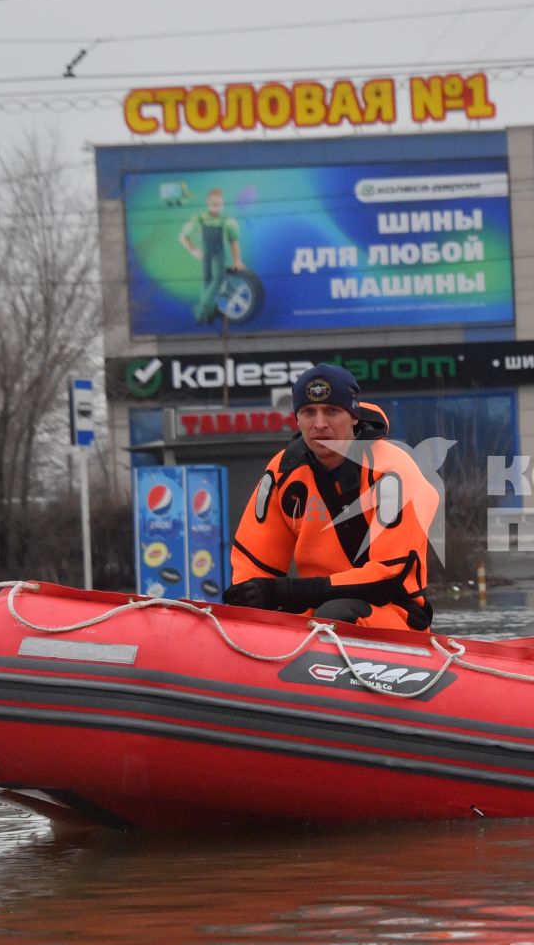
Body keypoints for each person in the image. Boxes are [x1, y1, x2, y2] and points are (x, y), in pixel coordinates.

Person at [223, 364, 436, 633]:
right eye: (308, 412)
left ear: (353, 416)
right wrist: (251, 599)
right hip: (313, 609)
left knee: (333, 613)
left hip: (392, 612)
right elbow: (254, 563)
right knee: (261, 607)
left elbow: (387, 578)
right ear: (297, 419)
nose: (320, 424)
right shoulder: (284, 473)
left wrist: (285, 591)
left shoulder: (391, 472)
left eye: (332, 411)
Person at [179, 187, 244, 325]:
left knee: (219, 279)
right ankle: (208, 314)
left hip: (219, 255)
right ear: (208, 203)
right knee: (207, 283)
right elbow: (183, 237)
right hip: (206, 255)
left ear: (223, 204)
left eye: (219, 204)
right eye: (213, 204)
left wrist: (237, 259)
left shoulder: (228, 221)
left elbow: (234, 241)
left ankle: (202, 310)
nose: (216, 207)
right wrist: (193, 250)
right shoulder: (199, 218)